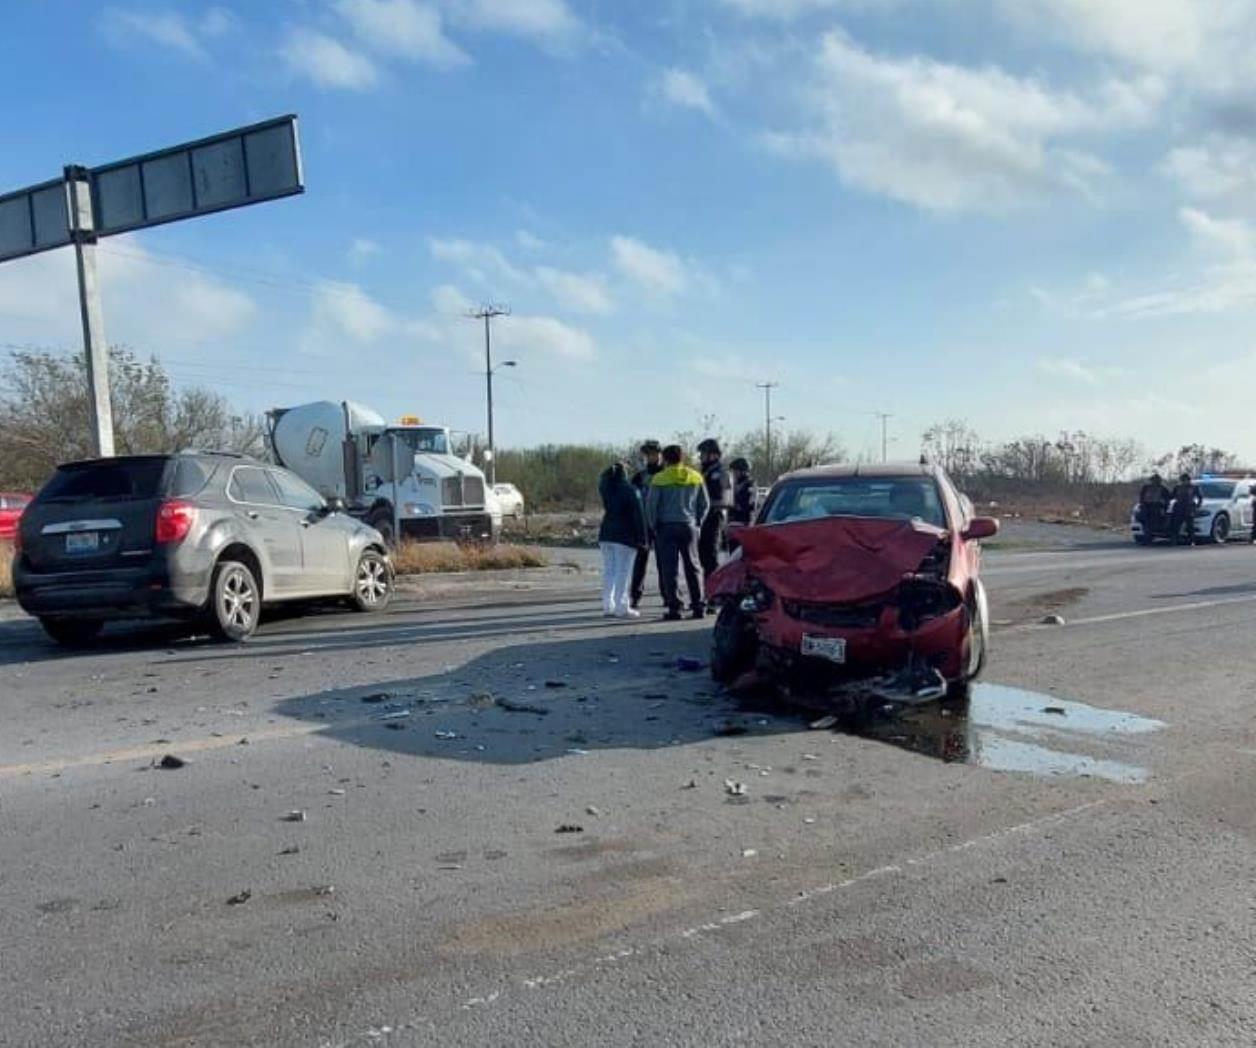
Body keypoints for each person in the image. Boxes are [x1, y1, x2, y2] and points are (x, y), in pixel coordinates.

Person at [646, 444, 708, 621]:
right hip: (689, 526)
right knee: (693, 566)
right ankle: (698, 605)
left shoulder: (659, 478)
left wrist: (653, 526)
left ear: (664, 459)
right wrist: (697, 523)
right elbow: (705, 504)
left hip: (666, 527)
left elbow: (651, 506)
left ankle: (675, 607)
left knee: (669, 569)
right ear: (682, 458)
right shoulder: (696, 477)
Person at [597, 462, 647, 619]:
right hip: (625, 535)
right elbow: (639, 515)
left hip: (606, 534)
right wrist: (643, 538)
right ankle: (622, 606)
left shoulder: (606, 489)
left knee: (609, 570)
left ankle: (607, 605)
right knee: (623, 571)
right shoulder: (631, 491)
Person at [629, 440, 664, 609]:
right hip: (643, 524)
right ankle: (635, 596)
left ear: (660, 454)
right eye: (648, 454)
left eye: (654, 453)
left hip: (661, 522)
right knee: (640, 561)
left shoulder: (666, 474)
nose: (651, 457)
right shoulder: (640, 477)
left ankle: (668, 595)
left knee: (664, 562)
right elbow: (630, 498)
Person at [696, 438, 732, 579]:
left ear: (713, 454)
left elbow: (727, 499)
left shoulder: (722, 473)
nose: (700, 457)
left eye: (703, 453)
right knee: (703, 555)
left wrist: (708, 503)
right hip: (703, 518)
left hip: (714, 516)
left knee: (711, 555)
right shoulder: (703, 472)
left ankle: (713, 588)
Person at [1169, 472, 1202, 545]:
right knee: (1176, 525)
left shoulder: (1194, 487)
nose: (1184, 482)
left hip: (1189, 508)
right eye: (1182, 480)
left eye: (1185, 480)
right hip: (1179, 508)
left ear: (1188, 480)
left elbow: (1199, 497)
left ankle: (1192, 540)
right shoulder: (1177, 487)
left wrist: (1197, 506)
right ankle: (1174, 540)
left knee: (1190, 526)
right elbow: (1171, 496)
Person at [728, 457, 757, 527]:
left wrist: (735, 504)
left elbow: (749, 504)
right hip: (731, 521)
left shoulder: (750, 484)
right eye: (733, 471)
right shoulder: (733, 484)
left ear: (743, 471)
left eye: (735, 471)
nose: (734, 474)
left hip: (743, 522)